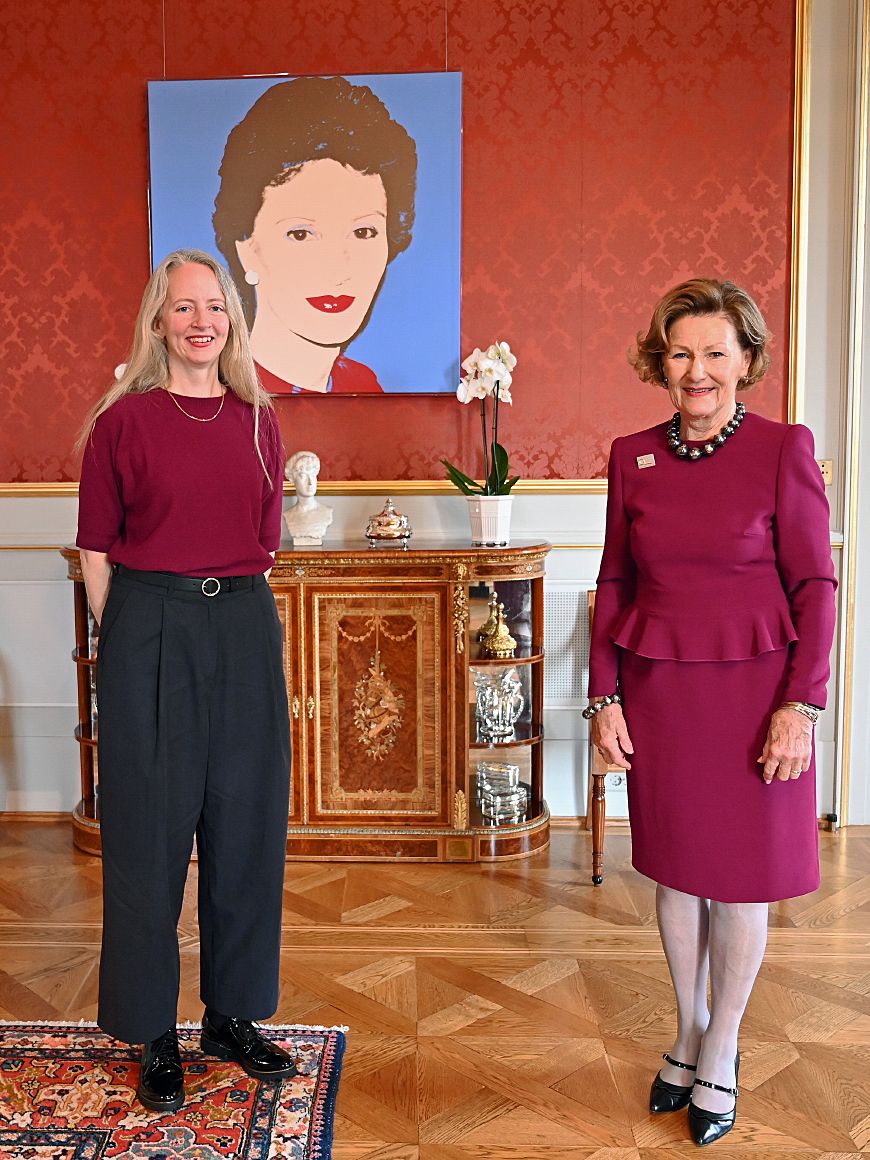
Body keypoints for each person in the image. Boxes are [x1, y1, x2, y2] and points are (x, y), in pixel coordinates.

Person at [586, 279, 836, 1146]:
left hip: (757, 700)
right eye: (681, 353)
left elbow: (817, 585)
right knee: (677, 871)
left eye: (715, 353)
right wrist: (604, 698)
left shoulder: (782, 448)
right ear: (660, 362)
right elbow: (615, 579)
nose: (697, 371)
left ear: (747, 359)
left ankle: (722, 1046)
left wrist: (802, 705)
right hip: (661, 693)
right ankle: (688, 1031)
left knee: (738, 879)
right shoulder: (632, 456)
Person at [75, 248, 296, 1114]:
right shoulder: (122, 423)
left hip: (243, 624)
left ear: (231, 319)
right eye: (184, 307)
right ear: (158, 322)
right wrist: (131, 634)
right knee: (148, 836)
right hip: (149, 624)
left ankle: (229, 1017)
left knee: (246, 827)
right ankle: (152, 1030)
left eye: (215, 306)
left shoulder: (259, 420)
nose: (202, 321)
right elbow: (96, 548)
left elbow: (265, 542)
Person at [212, 76, 417, 395]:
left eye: (363, 232)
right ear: (246, 245)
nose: (337, 270)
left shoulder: (362, 384)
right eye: (300, 234)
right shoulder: (220, 389)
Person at [283, 450, 333, 544]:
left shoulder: (326, 512)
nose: (310, 482)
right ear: (293, 479)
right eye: (303, 476)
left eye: (313, 475)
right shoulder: (289, 515)